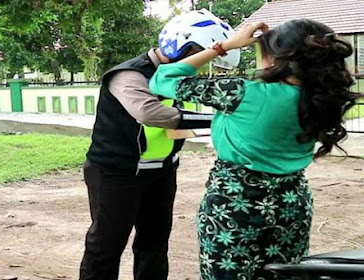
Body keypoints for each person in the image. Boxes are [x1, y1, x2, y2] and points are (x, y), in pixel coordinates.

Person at [149, 19, 357, 280]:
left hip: (234, 206)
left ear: (277, 58)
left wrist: (224, 46)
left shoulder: (240, 93)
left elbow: (163, 79)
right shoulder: (323, 98)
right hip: (292, 204)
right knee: (285, 275)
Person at [79, 9, 239, 280]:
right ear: (182, 45)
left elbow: (175, 127)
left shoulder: (181, 78)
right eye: (196, 53)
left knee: (154, 244)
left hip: (162, 171)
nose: (198, 62)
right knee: (106, 245)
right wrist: (214, 121)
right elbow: (149, 114)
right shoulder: (128, 74)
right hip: (117, 173)